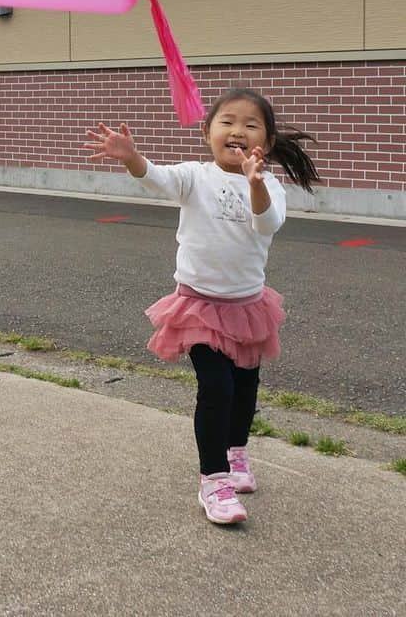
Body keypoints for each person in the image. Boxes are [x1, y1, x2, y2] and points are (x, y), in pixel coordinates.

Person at [85, 88, 319, 526]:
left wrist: (254, 184)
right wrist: (131, 157)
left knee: (245, 390)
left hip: (248, 306)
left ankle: (236, 455)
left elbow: (268, 224)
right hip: (199, 306)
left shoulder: (268, 186)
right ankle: (214, 480)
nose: (237, 130)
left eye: (251, 125)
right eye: (227, 121)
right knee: (217, 389)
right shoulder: (195, 175)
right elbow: (156, 177)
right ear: (208, 132)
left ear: (265, 144)